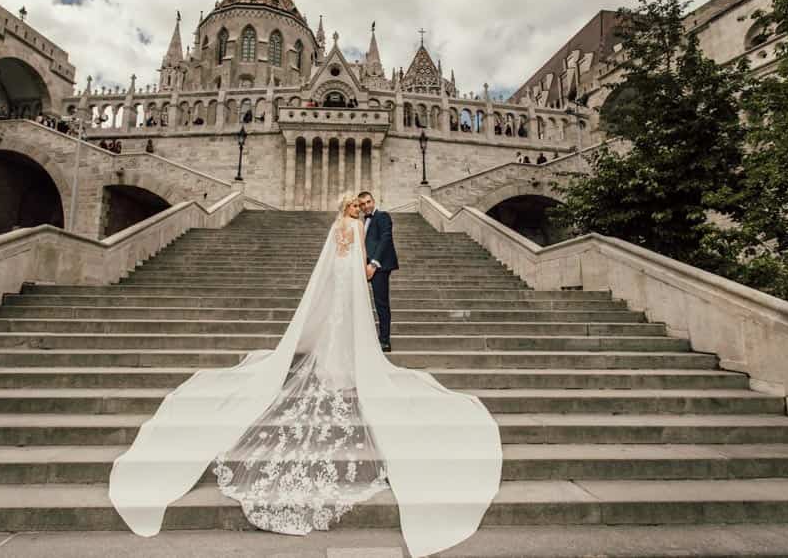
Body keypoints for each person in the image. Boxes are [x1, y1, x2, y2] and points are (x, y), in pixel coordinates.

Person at [109, 192, 502, 558]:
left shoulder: (342, 228)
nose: (358, 209)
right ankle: (347, 362)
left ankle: (340, 362)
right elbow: (350, 261)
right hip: (349, 290)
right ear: (350, 207)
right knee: (350, 330)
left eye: (359, 205)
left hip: (342, 290)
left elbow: (335, 264)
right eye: (355, 204)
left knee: (342, 331)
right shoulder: (352, 228)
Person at [358, 191, 397, 352]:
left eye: (368, 202)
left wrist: (373, 264)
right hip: (361, 265)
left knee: (381, 303)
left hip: (379, 267)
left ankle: (385, 340)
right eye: (362, 204)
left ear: (373, 201)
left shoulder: (383, 216)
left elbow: (385, 239)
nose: (366, 206)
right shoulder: (361, 221)